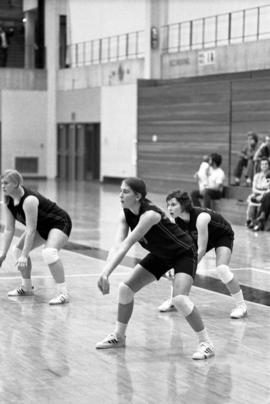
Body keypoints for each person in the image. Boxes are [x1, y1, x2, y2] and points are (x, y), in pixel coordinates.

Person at [96, 177, 215, 360]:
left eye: (125, 191)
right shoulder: (125, 214)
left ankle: (206, 344)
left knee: (180, 299)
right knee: (125, 289)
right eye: (120, 190)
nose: (120, 195)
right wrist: (104, 272)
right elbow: (117, 245)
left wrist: (107, 273)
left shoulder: (150, 215)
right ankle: (119, 336)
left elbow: (128, 244)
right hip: (161, 255)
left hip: (183, 253)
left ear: (138, 196)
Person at [158, 190, 247, 319]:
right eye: (168, 205)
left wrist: (188, 267)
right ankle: (174, 300)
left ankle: (241, 306)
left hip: (221, 236)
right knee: (179, 265)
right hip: (202, 236)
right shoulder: (177, 220)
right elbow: (182, 248)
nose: (169, 208)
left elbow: (201, 248)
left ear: (184, 205)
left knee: (222, 269)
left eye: (173, 204)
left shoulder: (201, 218)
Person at [0, 169, 72, 304]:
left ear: (16, 184)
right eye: (1, 183)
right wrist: (3, 254)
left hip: (59, 222)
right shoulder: (8, 200)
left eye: (6, 183)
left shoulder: (29, 200)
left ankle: (63, 293)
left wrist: (25, 255)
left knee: (49, 253)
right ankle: (26, 288)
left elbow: (31, 230)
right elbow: (9, 229)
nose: (2, 186)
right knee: (17, 250)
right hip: (41, 226)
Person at [246, 158, 270, 229]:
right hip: (258, 195)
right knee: (252, 199)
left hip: (266, 195)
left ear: (268, 165)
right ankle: (251, 221)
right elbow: (254, 189)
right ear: (260, 166)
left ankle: (255, 222)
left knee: (264, 198)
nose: (264, 166)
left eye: (266, 164)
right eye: (262, 164)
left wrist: (262, 194)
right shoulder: (257, 176)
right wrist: (260, 193)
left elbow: (269, 189)